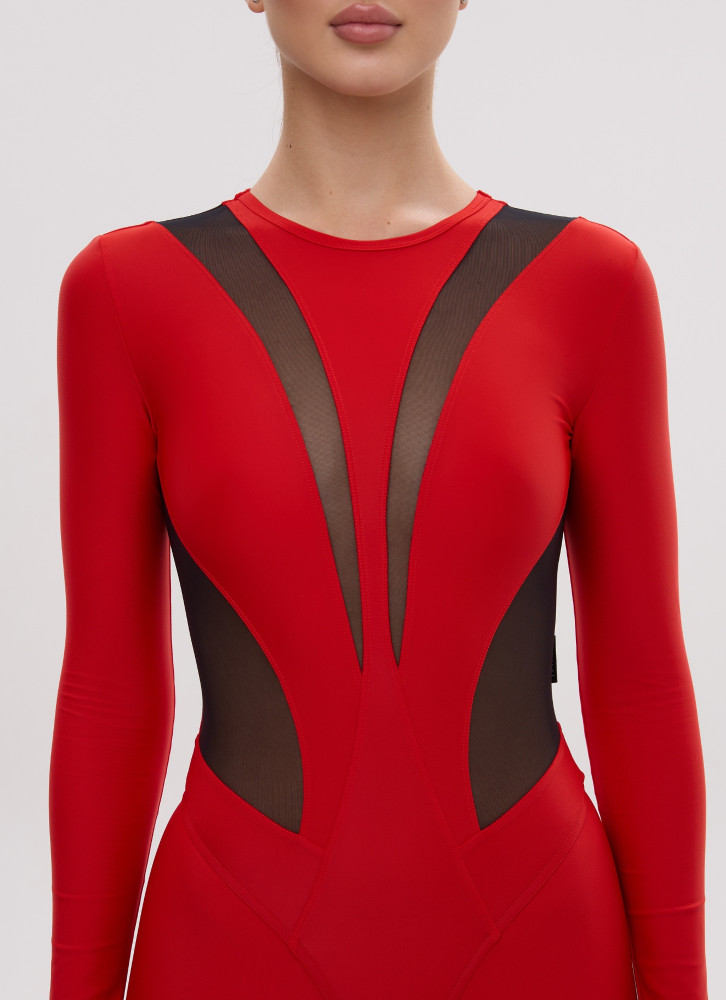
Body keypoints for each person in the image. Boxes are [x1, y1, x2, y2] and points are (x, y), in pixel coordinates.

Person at [48, 1, 708, 998]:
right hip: (228, 949)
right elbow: (110, 695)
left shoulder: (591, 285)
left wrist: (680, 983)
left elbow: (641, 681)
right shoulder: (124, 293)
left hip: (540, 945)